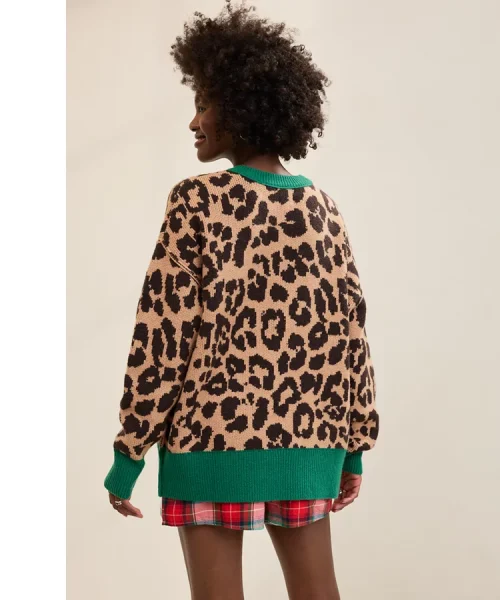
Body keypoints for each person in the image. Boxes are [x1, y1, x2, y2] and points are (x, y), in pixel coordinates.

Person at [103, 1, 379, 598]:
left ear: (241, 107)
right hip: (310, 443)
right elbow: (349, 338)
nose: (194, 121)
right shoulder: (324, 210)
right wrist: (352, 448)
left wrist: (130, 452)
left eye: (204, 104)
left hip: (209, 443)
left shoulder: (196, 201)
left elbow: (162, 334)